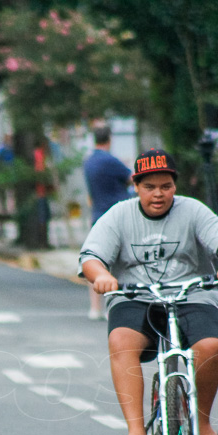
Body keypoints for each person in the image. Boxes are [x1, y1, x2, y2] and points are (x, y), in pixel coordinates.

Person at [79, 149, 218, 435]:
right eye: (149, 187)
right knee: (120, 341)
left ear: (175, 186)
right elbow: (91, 256)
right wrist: (101, 275)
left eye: (166, 186)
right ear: (136, 186)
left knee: (210, 345)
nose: (158, 194)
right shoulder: (118, 215)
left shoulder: (193, 211)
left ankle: (204, 425)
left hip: (192, 295)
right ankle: (135, 433)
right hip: (136, 298)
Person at [83, 124, 132, 320]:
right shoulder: (110, 161)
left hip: (97, 214)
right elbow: (132, 178)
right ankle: (119, 305)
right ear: (109, 139)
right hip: (116, 215)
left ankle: (95, 307)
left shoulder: (88, 162)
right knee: (122, 261)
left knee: (95, 259)